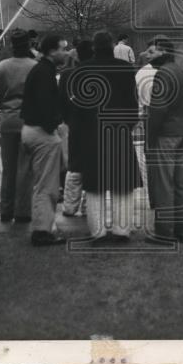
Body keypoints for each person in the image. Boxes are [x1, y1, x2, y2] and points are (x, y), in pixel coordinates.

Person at [68, 31, 142, 242]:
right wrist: (127, 125)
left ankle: (98, 232)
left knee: (94, 187)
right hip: (119, 133)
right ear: (111, 46)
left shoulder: (81, 69)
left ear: (94, 47)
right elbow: (132, 103)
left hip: (92, 134)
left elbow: (77, 108)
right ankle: (121, 230)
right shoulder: (126, 68)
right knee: (123, 186)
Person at [19, 33, 68, 246]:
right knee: (47, 185)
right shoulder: (44, 73)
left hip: (32, 130)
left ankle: (42, 227)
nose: (66, 53)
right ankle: (41, 231)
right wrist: (55, 127)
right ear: (51, 51)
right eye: (62, 49)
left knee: (42, 182)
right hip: (41, 132)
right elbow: (45, 104)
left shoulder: (41, 70)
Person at [144, 35, 183, 242]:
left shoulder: (163, 74)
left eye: (152, 52)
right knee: (181, 183)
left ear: (163, 51)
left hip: (166, 134)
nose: (148, 56)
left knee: (164, 183)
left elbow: (158, 109)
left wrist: (150, 136)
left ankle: (164, 232)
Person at [0, 30, 37, 224]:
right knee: (25, 169)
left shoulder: (2, 66)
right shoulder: (35, 67)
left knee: (8, 169)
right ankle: (23, 211)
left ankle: (6, 210)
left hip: (8, 121)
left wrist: (5, 106)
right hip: (28, 121)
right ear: (28, 46)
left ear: (11, 46)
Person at [60, 40, 94, 218]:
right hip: (93, 127)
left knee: (74, 167)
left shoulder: (66, 75)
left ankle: (69, 206)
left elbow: (62, 102)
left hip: (73, 125)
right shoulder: (95, 73)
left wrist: (67, 120)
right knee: (92, 167)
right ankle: (88, 206)